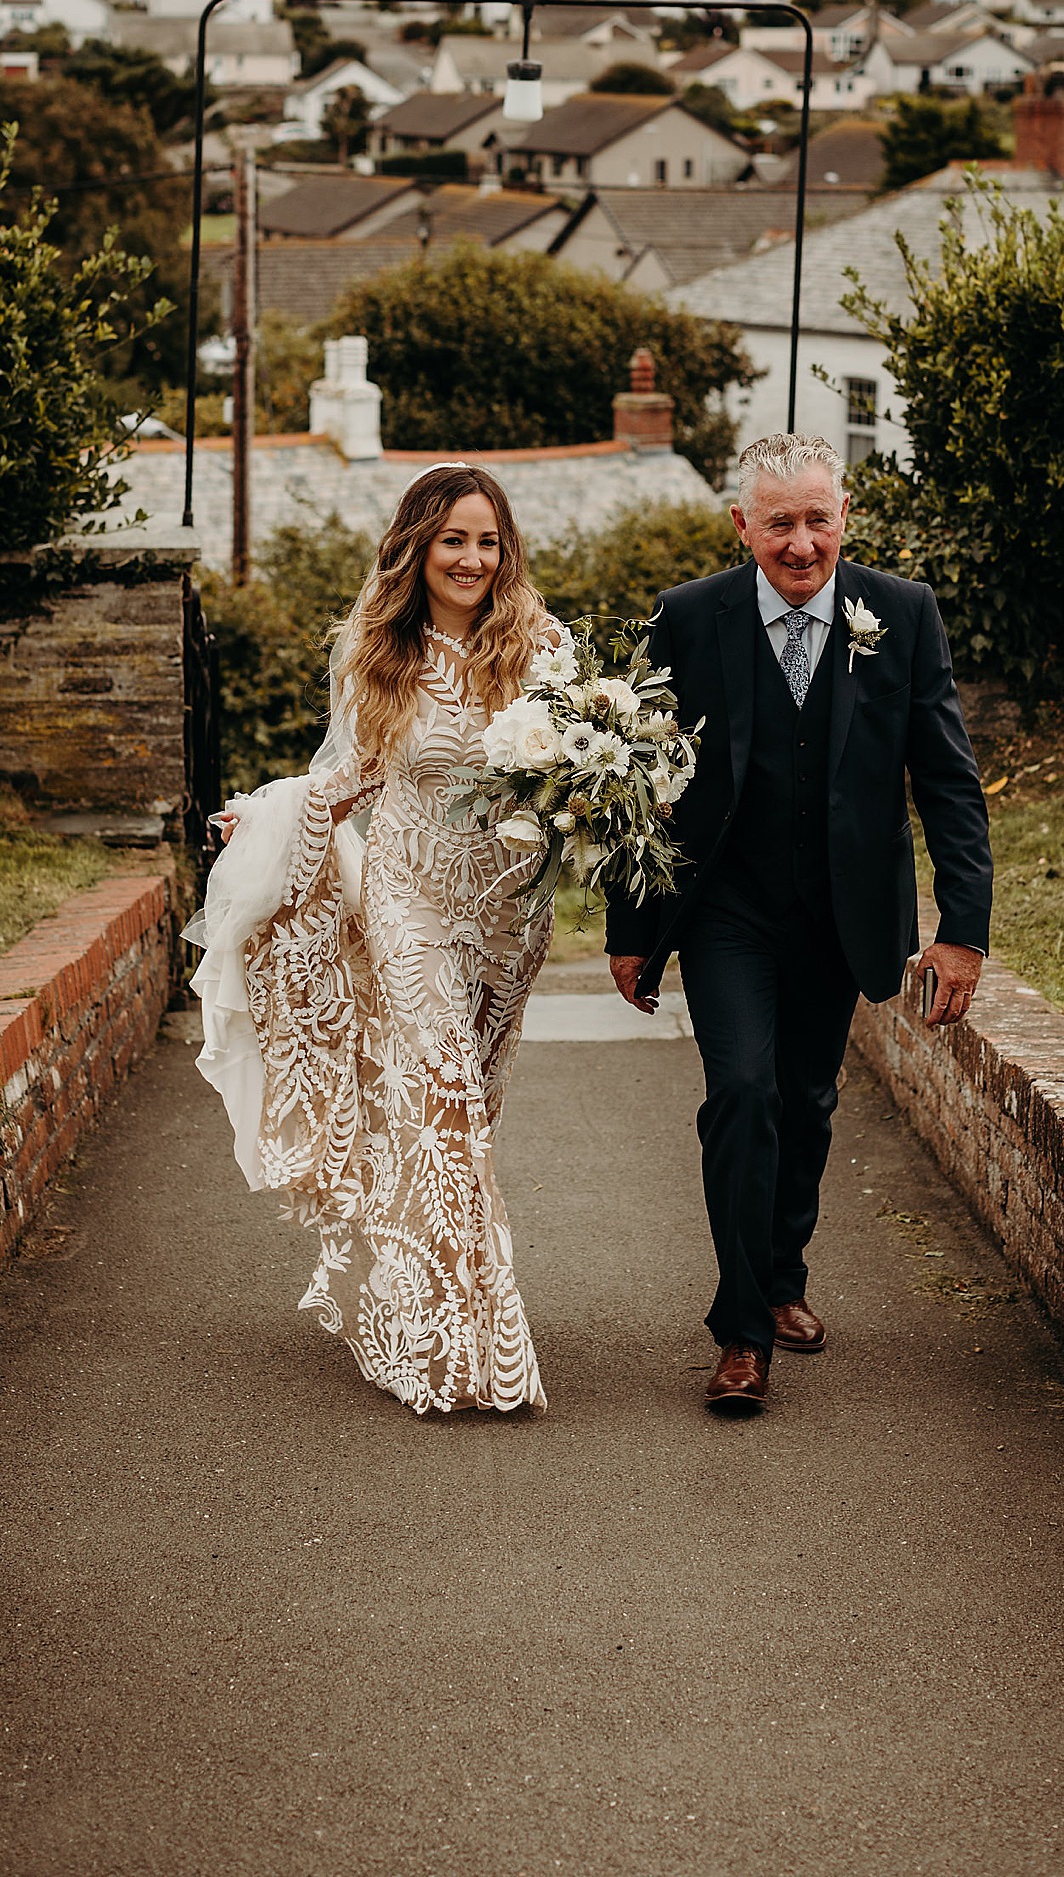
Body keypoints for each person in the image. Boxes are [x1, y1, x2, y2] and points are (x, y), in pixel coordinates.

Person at [605, 432, 992, 1416]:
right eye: (778, 521)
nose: (800, 542)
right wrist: (630, 926)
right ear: (743, 526)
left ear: (843, 517)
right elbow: (633, 779)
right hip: (725, 911)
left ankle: (780, 1277)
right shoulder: (688, 618)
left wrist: (963, 927)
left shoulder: (899, 615)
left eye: (817, 518)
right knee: (740, 1093)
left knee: (805, 1103)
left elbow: (945, 781)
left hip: (841, 912)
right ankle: (739, 1337)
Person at [187, 465, 559, 1417]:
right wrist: (268, 817)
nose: (472, 559)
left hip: (509, 914)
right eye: (453, 540)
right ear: (418, 547)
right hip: (408, 901)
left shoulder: (544, 650)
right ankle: (452, 1341)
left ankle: (423, 1286)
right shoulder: (374, 653)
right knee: (440, 1088)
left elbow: (578, 781)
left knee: (472, 1103)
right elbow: (347, 774)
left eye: (487, 541)